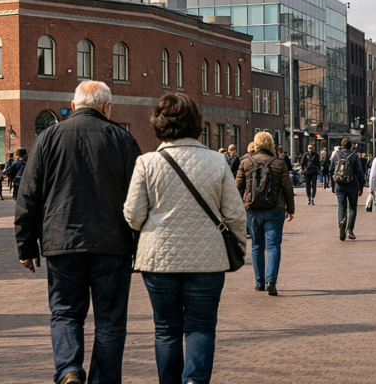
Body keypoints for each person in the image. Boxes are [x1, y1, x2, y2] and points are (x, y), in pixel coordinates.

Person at [16, 81, 141, 384]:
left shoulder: (48, 138)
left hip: (61, 243)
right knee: (110, 321)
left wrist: (26, 246)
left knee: (65, 313)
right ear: (107, 107)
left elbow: (29, 194)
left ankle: (69, 369)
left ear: (73, 106)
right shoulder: (122, 140)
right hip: (113, 244)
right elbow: (140, 198)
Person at [124, 94, 246, 384]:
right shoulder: (217, 161)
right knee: (201, 326)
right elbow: (235, 214)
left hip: (159, 258)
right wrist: (238, 247)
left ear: (159, 124)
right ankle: (194, 380)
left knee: (165, 328)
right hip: (208, 258)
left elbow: (133, 215)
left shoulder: (147, 162)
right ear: (197, 124)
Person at [235, 132, 294, 295]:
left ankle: (259, 282)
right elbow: (287, 187)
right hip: (275, 209)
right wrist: (291, 209)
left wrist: (238, 207)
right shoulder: (279, 163)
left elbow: (237, 186)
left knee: (256, 246)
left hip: (253, 210)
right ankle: (271, 280)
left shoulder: (245, 162)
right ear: (271, 144)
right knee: (273, 245)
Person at [331, 139, 364, 240]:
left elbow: (331, 169)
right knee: (353, 207)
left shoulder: (336, 155)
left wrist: (333, 185)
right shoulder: (354, 156)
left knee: (341, 207)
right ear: (351, 146)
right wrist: (361, 186)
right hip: (352, 184)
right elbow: (359, 172)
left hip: (339, 184)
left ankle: (341, 222)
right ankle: (349, 230)